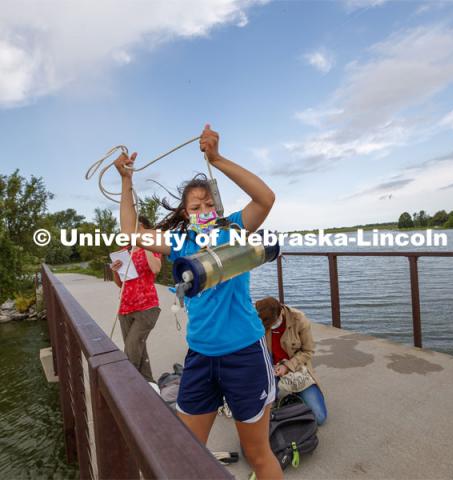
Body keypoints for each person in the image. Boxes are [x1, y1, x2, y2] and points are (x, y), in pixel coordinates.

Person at [113, 125, 283, 480]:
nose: (203, 208)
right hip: (200, 357)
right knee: (185, 452)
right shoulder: (181, 244)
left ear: (216, 207)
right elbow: (131, 234)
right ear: (186, 213)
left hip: (245, 355)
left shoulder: (233, 232)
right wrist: (127, 181)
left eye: (208, 203)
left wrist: (217, 159)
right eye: (196, 206)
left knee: (257, 454)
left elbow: (266, 198)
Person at [255, 297, 327, 426]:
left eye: (271, 324)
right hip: (270, 367)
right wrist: (266, 367)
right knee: (259, 414)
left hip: (296, 367)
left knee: (319, 417)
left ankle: (294, 396)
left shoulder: (299, 319)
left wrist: (287, 366)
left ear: (280, 312)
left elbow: (308, 351)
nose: (268, 327)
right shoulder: (257, 320)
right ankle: (279, 396)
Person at [111, 216, 162, 383]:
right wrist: (114, 270)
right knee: (139, 351)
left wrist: (144, 243)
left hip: (146, 308)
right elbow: (121, 283)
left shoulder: (153, 247)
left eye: (137, 226)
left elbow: (155, 269)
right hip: (125, 308)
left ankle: (127, 390)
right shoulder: (124, 249)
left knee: (131, 352)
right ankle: (150, 384)